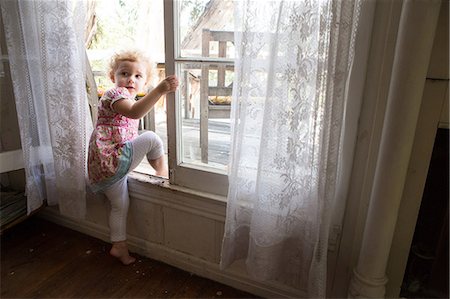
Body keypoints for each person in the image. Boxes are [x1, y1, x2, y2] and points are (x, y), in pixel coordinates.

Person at [87, 49, 178, 265]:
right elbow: (135, 112)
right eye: (125, 73)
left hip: (104, 164)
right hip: (110, 158)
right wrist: (161, 90)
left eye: (138, 76)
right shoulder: (115, 95)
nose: (130, 79)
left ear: (144, 82)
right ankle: (162, 173)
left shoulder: (127, 96)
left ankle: (119, 247)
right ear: (113, 77)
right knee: (152, 139)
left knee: (120, 206)